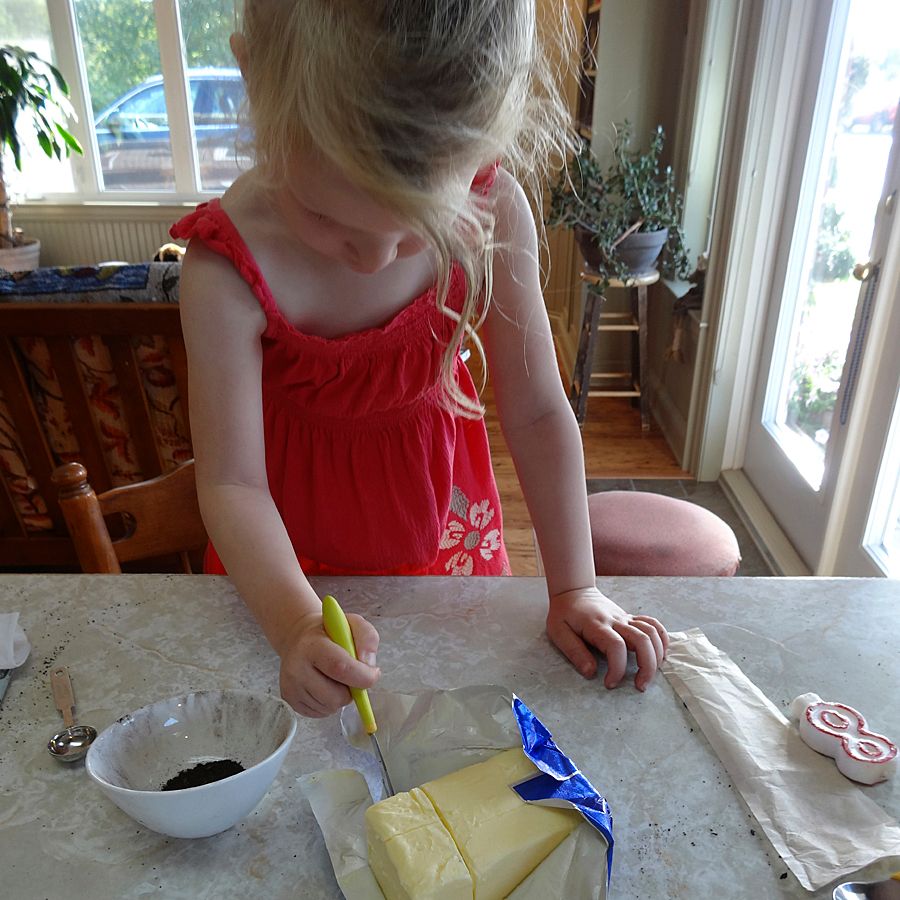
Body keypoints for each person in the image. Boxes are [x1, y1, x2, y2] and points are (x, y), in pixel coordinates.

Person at [172, 0, 668, 720]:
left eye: (415, 233)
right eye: (328, 218)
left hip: (446, 539)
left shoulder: (493, 207)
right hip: (285, 571)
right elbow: (233, 485)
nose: (374, 259)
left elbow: (533, 409)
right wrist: (296, 623)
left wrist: (573, 587)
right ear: (254, 80)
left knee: (456, 728)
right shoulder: (223, 272)